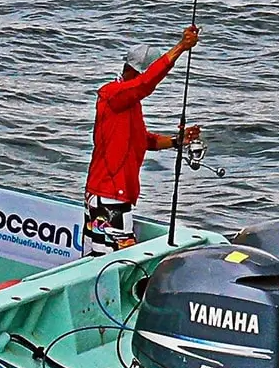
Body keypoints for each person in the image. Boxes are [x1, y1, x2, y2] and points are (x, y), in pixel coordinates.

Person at [83, 25, 203, 252]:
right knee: (115, 261)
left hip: (109, 194)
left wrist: (178, 140)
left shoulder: (128, 102)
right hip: (108, 196)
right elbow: (146, 83)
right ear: (135, 71)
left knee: (97, 258)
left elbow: (144, 140)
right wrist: (180, 47)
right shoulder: (113, 94)